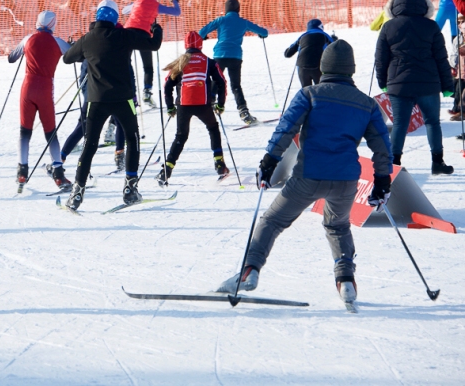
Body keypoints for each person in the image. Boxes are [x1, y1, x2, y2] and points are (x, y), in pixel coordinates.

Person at [217, 40, 393, 309]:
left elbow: (286, 128)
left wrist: (269, 160)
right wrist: (382, 181)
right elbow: (382, 146)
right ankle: (346, 281)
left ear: (323, 66)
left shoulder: (310, 94)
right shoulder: (366, 104)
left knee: (272, 221)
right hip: (346, 180)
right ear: (351, 69)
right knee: (337, 226)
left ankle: (249, 270)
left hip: (307, 177)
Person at [62, 0, 162, 210]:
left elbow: (67, 58)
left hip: (96, 100)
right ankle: (130, 188)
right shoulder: (124, 35)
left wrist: (86, 53)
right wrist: (157, 29)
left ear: (97, 16)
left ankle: (77, 193)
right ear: (115, 18)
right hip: (123, 99)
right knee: (132, 140)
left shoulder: (87, 39)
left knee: (89, 145)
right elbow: (154, 44)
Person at [375, 0, 455, 174]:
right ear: (424, 5)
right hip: (428, 84)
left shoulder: (388, 27)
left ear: (394, 5)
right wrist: (447, 85)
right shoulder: (431, 26)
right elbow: (441, 58)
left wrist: (383, 83)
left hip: (398, 85)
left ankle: (393, 165)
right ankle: (437, 162)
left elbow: (381, 59)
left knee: (399, 124)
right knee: (432, 122)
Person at [8, 10, 72, 190]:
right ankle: (58, 174)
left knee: (25, 131)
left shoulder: (28, 39)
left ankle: (22, 172)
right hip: (45, 89)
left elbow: (11, 58)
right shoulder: (58, 42)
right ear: (53, 24)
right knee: (50, 133)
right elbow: (73, 56)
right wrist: (72, 45)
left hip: (27, 88)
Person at [157, 31, 228, 185]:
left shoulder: (180, 62)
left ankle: (166, 170)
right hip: (203, 104)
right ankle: (219, 164)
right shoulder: (209, 62)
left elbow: (167, 85)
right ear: (200, 44)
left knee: (181, 137)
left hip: (184, 105)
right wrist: (220, 104)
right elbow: (222, 82)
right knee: (213, 128)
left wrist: (170, 107)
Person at [198, 0, 269, 125]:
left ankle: (208, 105)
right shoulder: (243, 22)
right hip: (235, 56)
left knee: (216, 80)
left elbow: (201, 32)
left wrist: (204, 37)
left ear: (226, 9)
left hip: (220, 55)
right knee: (236, 85)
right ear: (238, 9)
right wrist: (262, 34)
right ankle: (244, 112)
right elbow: (264, 32)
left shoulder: (220, 20)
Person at [124, 0, 181, 106]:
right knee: (148, 66)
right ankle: (147, 92)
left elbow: (124, 11)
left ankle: (130, 95)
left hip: (127, 33)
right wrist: (175, 2)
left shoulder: (137, 2)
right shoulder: (156, 5)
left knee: (126, 64)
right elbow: (176, 12)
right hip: (143, 35)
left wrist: (133, 5)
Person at [283, 18, 337, 88]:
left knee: (306, 91)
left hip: (302, 67)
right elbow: (336, 47)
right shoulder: (325, 35)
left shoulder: (302, 36)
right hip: (318, 67)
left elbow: (287, 54)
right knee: (321, 90)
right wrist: (335, 39)